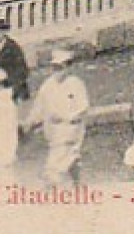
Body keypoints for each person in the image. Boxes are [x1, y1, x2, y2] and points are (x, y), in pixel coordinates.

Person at [26, 49, 89, 184]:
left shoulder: (76, 84)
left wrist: (72, 117)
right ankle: (77, 181)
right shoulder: (48, 85)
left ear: (68, 67)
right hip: (52, 130)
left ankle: (52, 188)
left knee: (55, 163)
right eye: (55, 67)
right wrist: (30, 121)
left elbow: (83, 106)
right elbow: (39, 106)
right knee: (70, 157)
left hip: (70, 129)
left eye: (61, 67)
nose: (57, 70)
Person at [0, 15, 30, 101]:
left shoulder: (13, 48)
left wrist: (7, 81)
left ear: (4, 32)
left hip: (12, 89)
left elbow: (23, 71)